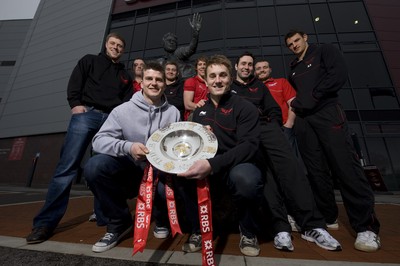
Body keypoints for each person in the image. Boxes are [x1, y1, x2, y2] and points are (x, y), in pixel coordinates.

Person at [26, 32, 133, 244]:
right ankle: (45, 223)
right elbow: (75, 81)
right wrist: (75, 104)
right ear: (106, 44)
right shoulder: (89, 60)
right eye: (113, 43)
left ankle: (105, 216)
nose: (116, 47)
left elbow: (127, 101)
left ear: (123, 50)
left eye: (120, 45)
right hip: (87, 114)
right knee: (67, 167)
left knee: (101, 168)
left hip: (110, 120)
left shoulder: (125, 75)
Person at [231, 52, 342, 251]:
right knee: (266, 178)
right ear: (236, 66)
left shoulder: (260, 86)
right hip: (245, 135)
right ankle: (280, 228)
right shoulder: (229, 88)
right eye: (243, 64)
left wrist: (274, 125)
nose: (247, 67)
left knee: (292, 171)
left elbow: (273, 108)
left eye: (250, 64)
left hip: (268, 130)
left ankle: (312, 225)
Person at [285, 29, 381, 252]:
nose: (294, 45)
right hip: (306, 122)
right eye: (290, 44)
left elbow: (337, 76)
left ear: (305, 37)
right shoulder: (293, 68)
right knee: (316, 172)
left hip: (328, 113)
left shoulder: (325, 51)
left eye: (297, 40)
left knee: (345, 167)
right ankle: (328, 218)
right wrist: (299, 107)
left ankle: (366, 227)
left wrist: (312, 98)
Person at [83, 62, 180, 252]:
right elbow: (99, 141)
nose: (154, 83)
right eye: (149, 79)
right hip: (130, 169)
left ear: (164, 84)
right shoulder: (122, 110)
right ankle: (119, 221)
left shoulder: (174, 112)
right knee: (94, 166)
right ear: (141, 83)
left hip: (160, 172)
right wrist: (128, 146)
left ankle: (161, 219)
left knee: (168, 183)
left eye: (159, 80)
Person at [178, 54, 266, 257]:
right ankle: (197, 229)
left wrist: (213, 163)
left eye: (223, 75)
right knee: (182, 175)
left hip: (237, 164)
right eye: (213, 76)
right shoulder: (198, 112)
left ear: (230, 77)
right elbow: (191, 146)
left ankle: (248, 230)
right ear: (206, 80)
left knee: (246, 179)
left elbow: (249, 146)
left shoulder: (245, 107)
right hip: (209, 164)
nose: (218, 80)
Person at [159, 13, 202, 78]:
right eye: (169, 40)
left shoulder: (178, 53)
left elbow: (190, 49)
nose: (172, 42)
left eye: (174, 41)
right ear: (163, 44)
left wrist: (195, 32)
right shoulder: (161, 61)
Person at [183, 56, 208, 120]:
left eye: (205, 64)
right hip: (194, 115)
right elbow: (188, 104)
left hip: (209, 115)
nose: (202, 66)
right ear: (196, 68)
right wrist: (201, 108)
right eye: (200, 64)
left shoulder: (211, 82)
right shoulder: (191, 81)